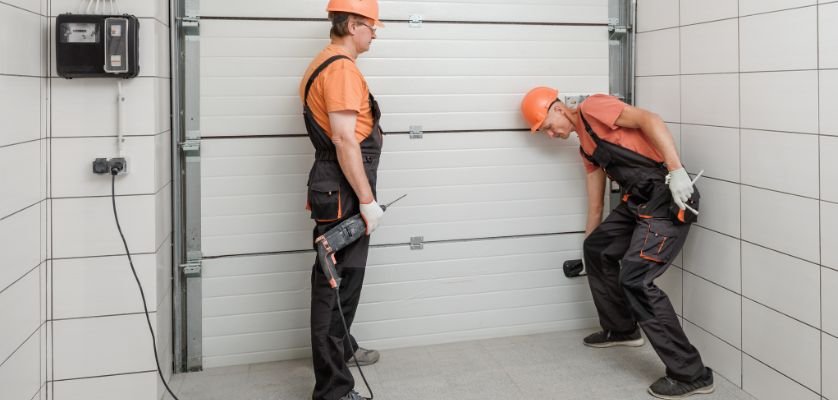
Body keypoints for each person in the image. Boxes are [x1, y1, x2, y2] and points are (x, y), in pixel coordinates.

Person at [520, 87, 714, 399]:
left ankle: (690, 373)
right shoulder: (585, 148)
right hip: (638, 202)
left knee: (636, 280)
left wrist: (677, 171)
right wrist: (588, 252)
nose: (551, 136)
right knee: (597, 249)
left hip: (667, 197)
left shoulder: (594, 107)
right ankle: (622, 328)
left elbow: (650, 120)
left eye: (546, 129)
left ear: (555, 109)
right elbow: (596, 206)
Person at [299, 1, 385, 399]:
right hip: (345, 187)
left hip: (338, 184)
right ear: (352, 25)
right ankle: (333, 390)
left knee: (342, 277)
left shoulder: (327, 62)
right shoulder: (341, 69)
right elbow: (344, 139)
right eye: (371, 25)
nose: (375, 32)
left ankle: (342, 348)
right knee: (337, 282)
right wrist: (366, 201)